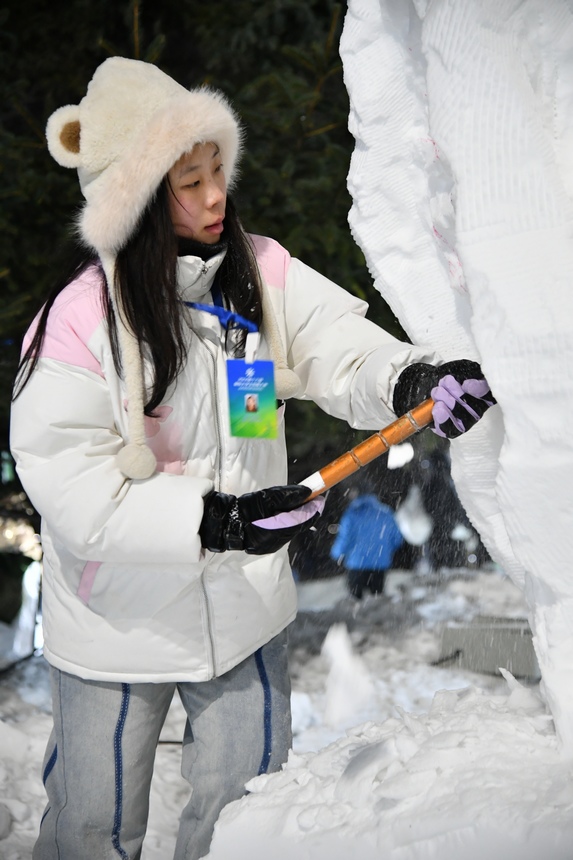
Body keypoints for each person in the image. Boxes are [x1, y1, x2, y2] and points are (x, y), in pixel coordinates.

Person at [9, 57, 495, 860]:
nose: (214, 198)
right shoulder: (77, 321)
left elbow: (336, 347)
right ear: (133, 203)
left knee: (247, 815)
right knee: (93, 828)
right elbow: (72, 485)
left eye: (216, 173)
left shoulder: (254, 273)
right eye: (187, 183)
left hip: (242, 613)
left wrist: (411, 376)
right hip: (113, 629)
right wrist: (216, 520)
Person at [330, 490, 404, 598]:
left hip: (356, 564)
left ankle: (356, 613)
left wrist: (336, 553)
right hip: (379, 564)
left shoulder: (352, 514)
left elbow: (345, 538)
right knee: (377, 601)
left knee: (355, 602)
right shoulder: (386, 513)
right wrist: (385, 551)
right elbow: (397, 539)